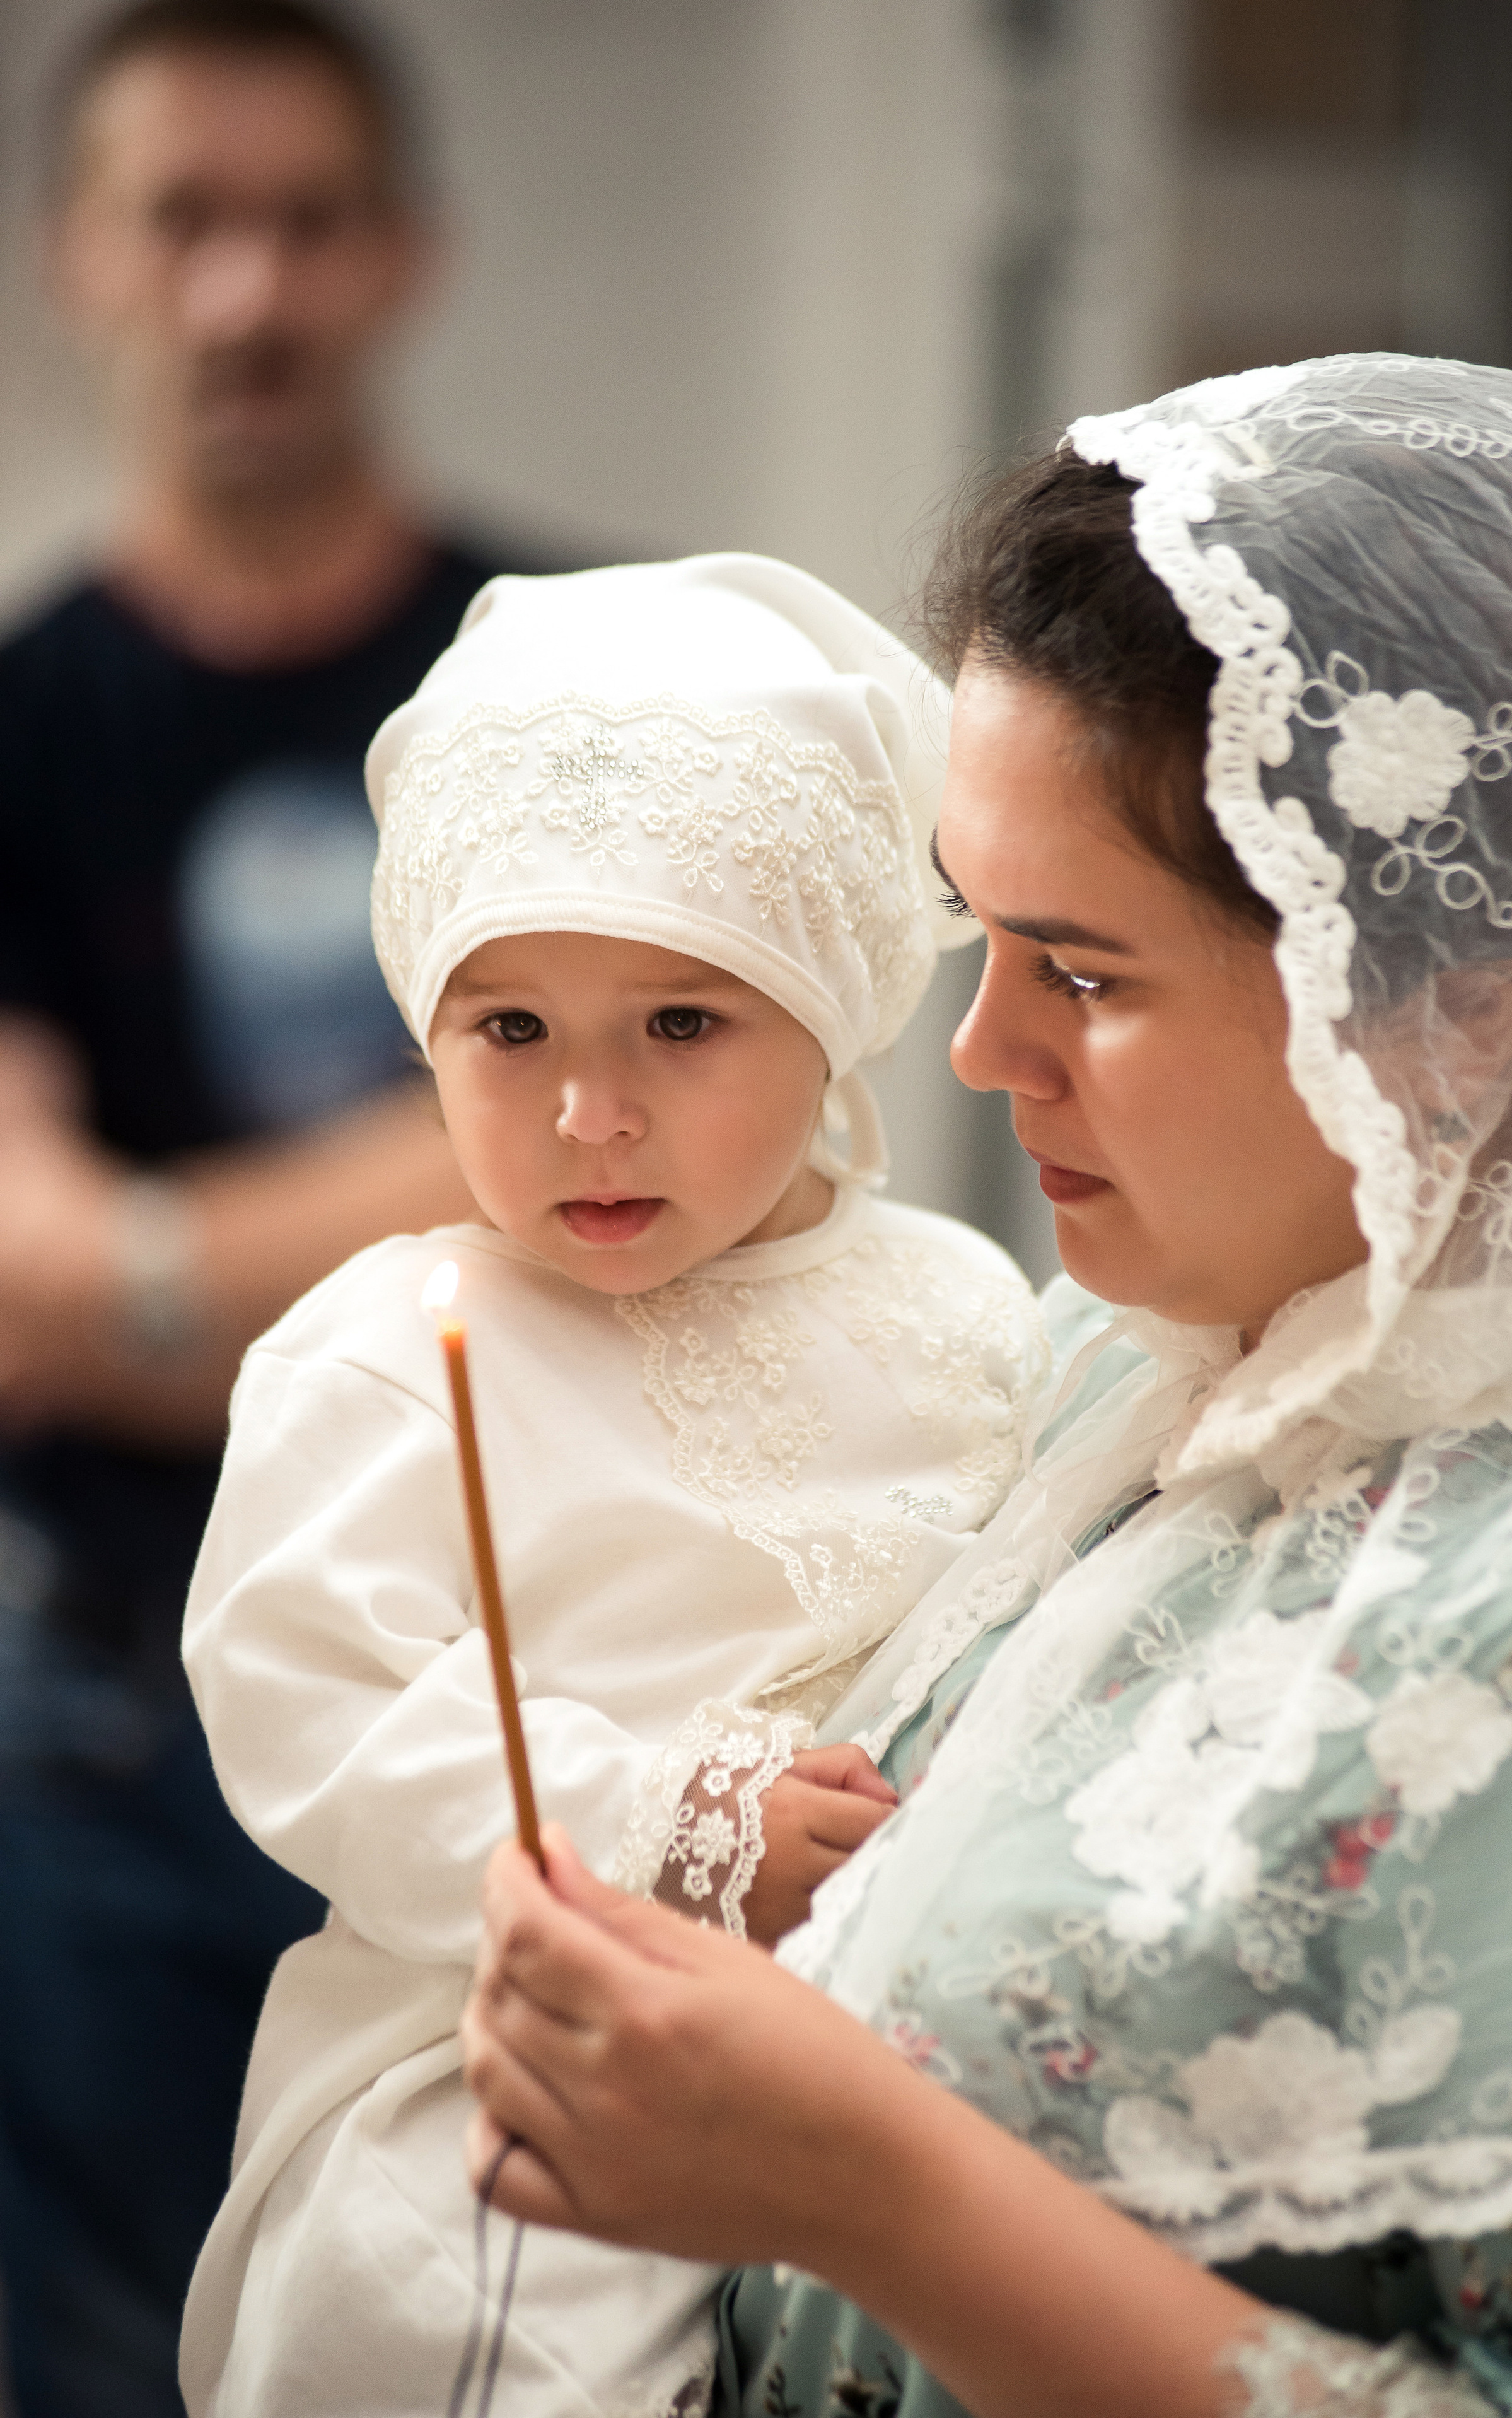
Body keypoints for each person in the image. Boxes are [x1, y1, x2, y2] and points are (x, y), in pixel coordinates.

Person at [461, 353, 1512, 2417]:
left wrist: (869, 2188)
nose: (985, 1051)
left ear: (1467, 1004)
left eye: (1081, 971)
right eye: (975, 936)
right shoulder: (1123, 1361)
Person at [177, 552, 1047, 2418]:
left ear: (834, 1010)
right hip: (511, 2033)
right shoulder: (388, 1345)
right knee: (504, 2322)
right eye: (512, 1031)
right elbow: (317, 1707)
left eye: (678, 1024)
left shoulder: (967, 1309)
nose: (590, 1112)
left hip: (893, 2025)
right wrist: (679, 1816)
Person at [0, 3, 573, 2409]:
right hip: (118, 1741)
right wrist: (451, 1185)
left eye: (305, 220)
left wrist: (141, 1260)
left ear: (405, 256)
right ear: (79, 263)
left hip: (551, 1699)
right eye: (184, 218)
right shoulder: (25, 721)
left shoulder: (560, 680)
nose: (248, 287)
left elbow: (673, 1179)